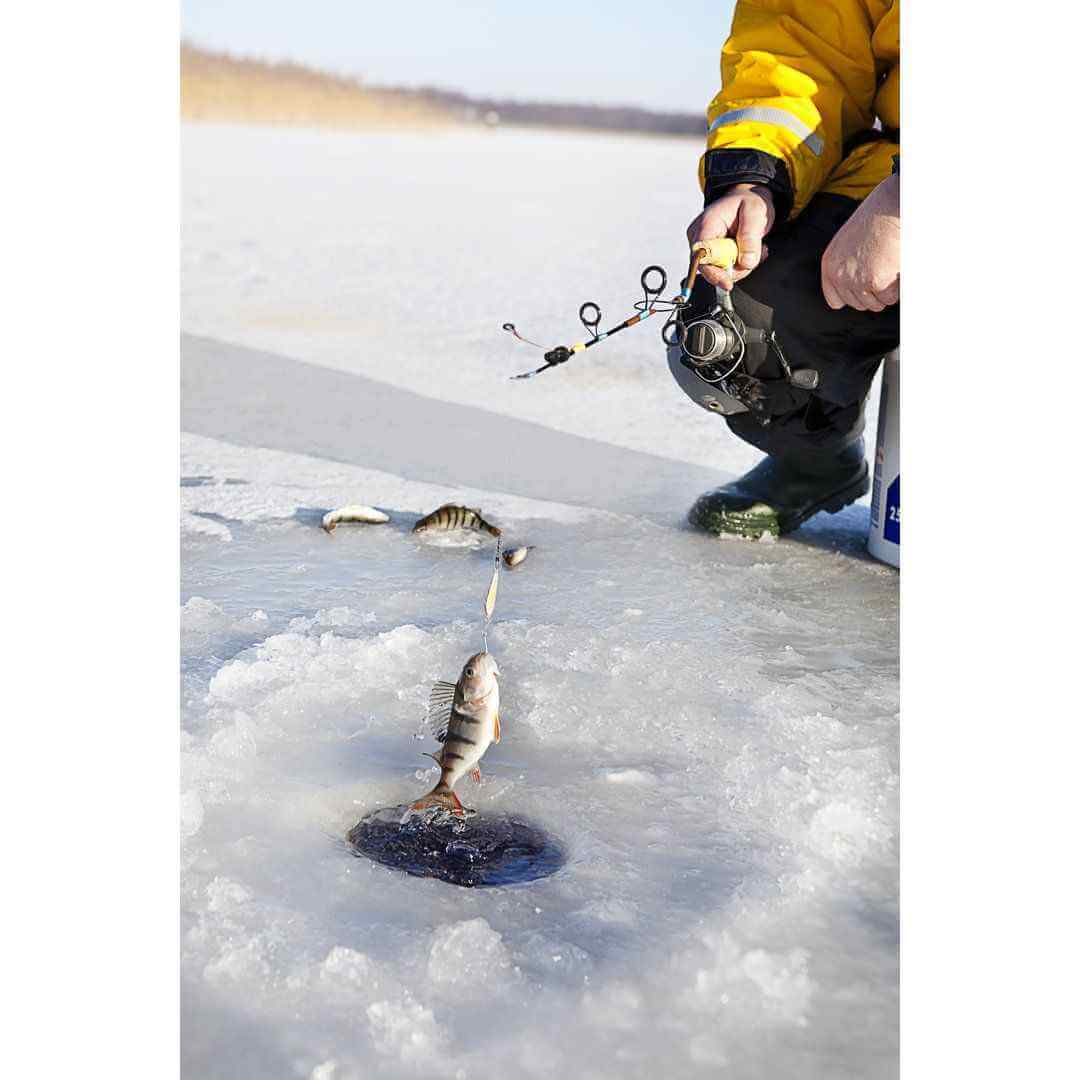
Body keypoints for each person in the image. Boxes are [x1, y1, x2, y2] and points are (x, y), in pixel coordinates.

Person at [670, 0, 899, 538]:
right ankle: (820, 460)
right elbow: (798, 48)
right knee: (736, 325)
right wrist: (754, 180)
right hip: (893, 161)